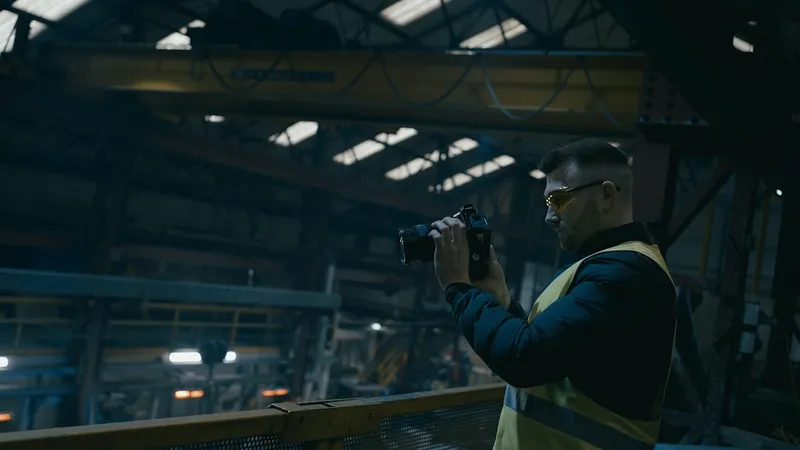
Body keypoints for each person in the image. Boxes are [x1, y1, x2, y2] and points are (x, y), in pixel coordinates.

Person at [429, 139, 676, 450]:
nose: (549, 217)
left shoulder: (625, 274)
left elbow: (525, 359)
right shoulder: (605, 268)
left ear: (606, 194)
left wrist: (459, 289)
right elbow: (554, 360)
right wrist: (501, 299)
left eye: (559, 199)